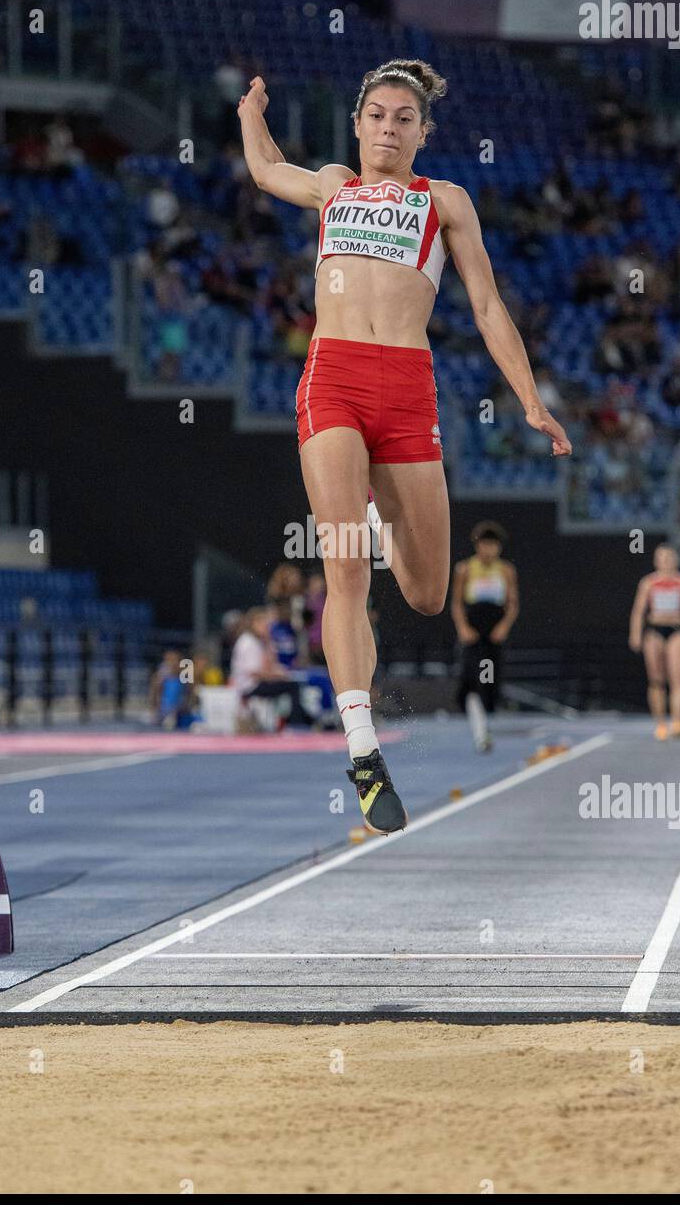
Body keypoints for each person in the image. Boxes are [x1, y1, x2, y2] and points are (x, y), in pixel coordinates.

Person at [238, 60, 570, 834]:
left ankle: (386, 517)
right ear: (357, 125)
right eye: (377, 116)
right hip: (335, 379)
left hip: (408, 390)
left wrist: (530, 401)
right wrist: (253, 111)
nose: (388, 129)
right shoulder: (331, 185)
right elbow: (263, 167)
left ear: (423, 133)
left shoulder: (445, 201)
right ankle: (362, 747)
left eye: (403, 119)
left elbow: (486, 306)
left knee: (425, 590)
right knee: (344, 565)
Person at [451, 522, 519, 751]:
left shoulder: (506, 571)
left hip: (494, 630)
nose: (488, 549)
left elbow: (512, 604)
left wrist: (504, 627)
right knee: (472, 678)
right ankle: (479, 728)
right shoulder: (465, 569)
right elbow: (457, 603)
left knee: (490, 678)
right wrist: (463, 628)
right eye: (484, 544)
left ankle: (487, 718)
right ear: (477, 545)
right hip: (473, 629)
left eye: (493, 545)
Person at [629, 544, 680, 740]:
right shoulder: (648, 583)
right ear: (656, 561)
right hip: (654, 631)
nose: (665, 562)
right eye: (661, 558)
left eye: (669, 558)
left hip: (676, 630)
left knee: (677, 679)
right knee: (656, 680)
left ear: (675, 560)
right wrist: (635, 633)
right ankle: (660, 723)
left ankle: (677, 720)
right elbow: (639, 611)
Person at [229, 607, 314, 730]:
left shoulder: (259, 641)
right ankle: (296, 724)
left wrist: (268, 641)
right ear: (254, 624)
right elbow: (255, 673)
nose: (266, 627)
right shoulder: (248, 642)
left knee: (291, 683)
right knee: (292, 686)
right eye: (263, 624)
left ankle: (301, 718)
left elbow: (270, 664)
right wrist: (279, 676)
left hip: (256, 682)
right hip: (248, 686)